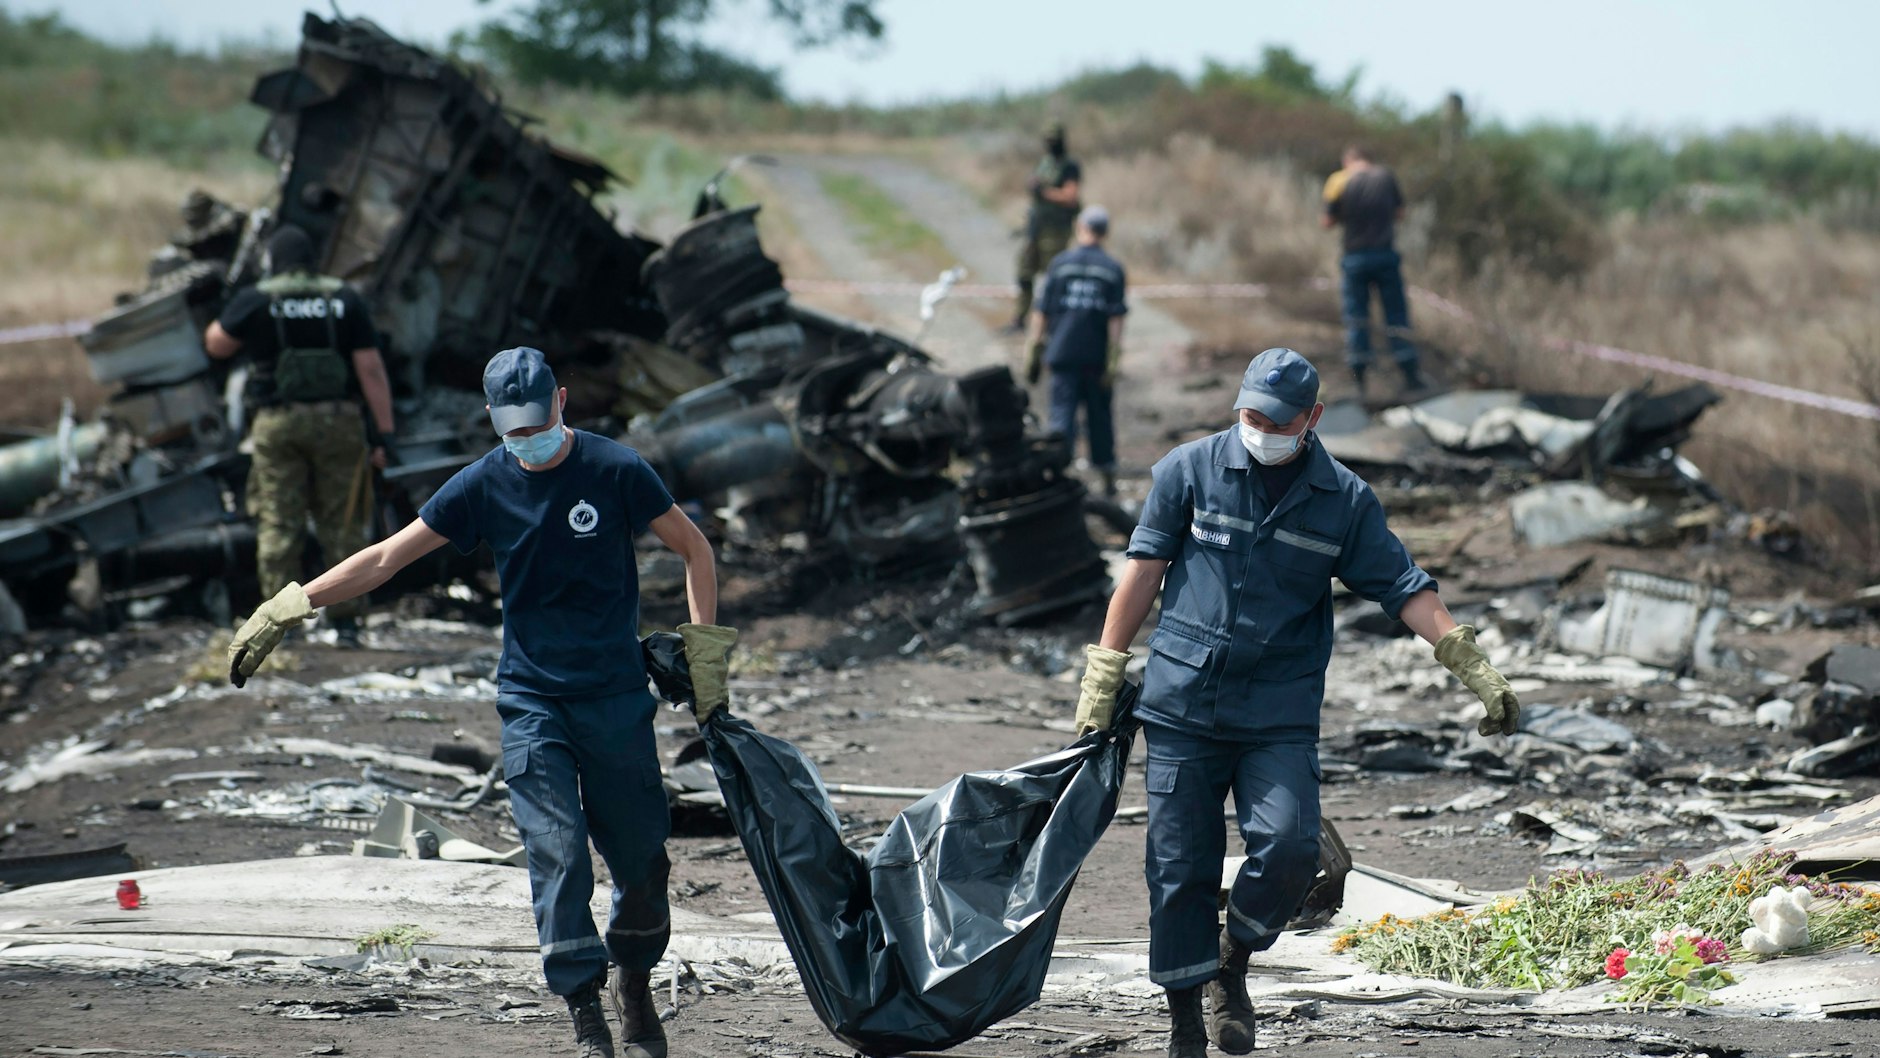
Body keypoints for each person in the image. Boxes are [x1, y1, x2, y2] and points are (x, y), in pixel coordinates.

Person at [223, 346, 735, 1058]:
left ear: (561, 402)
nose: (529, 441)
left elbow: (695, 549)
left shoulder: (616, 469)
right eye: (513, 430)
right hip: (533, 703)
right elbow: (386, 557)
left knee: (642, 860)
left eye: (539, 425)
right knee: (557, 855)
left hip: (616, 698)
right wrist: (292, 603)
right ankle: (586, 1013)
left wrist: (704, 656)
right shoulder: (482, 484)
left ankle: (636, 982)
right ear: (492, 418)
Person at [1070, 348, 1519, 1058]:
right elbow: (1143, 573)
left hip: (1277, 710)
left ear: (1312, 419)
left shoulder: (1342, 500)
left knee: (1289, 848)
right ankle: (1185, 1022)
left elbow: (1403, 586)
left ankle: (1232, 961)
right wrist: (1104, 670)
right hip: (1183, 704)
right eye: (1252, 414)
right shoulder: (1188, 471)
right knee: (1179, 868)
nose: (1262, 429)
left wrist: (1471, 665)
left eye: (1279, 421)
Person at [203, 225, 396, 646]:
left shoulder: (257, 298)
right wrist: (384, 434)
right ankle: (346, 623)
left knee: (279, 522)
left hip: (279, 425)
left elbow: (217, 344)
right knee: (343, 522)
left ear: (273, 260)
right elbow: (370, 369)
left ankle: (280, 627)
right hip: (339, 424)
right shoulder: (344, 298)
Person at [1025, 204, 1127, 497]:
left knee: (1061, 416)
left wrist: (1034, 348)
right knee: (1099, 418)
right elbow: (1115, 318)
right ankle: (1107, 479)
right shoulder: (1112, 269)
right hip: (1095, 356)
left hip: (1062, 353)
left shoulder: (1060, 264)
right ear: (1105, 232)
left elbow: (1042, 311)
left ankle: (1057, 476)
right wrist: (1113, 357)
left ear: (1079, 227)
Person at [1322, 146, 1424, 396]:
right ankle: (1410, 376)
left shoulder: (1339, 180)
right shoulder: (1386, 177)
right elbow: (1400, 213)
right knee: (1396, 315)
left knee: (1356, 317)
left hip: (1355, 257)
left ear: (1348, 161)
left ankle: (1359, 381)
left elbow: (1327, 221)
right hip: (1385, 254)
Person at [1007, 123, 1083, 333]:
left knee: (1054, 275)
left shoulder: (1069, 166)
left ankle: (1054, 321)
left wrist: (1044, 192)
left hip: (1056, 230)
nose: (1050, 143)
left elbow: (1070, 196)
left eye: (1053, 139)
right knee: (1024, 272)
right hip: (1036, 228)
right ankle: (1019, 318)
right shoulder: (1044, 163)